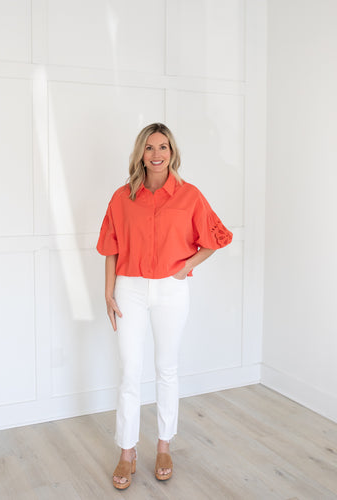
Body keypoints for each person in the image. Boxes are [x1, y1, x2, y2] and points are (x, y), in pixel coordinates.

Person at [97, 123, 233, 490]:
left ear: (172, 152)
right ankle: (127, 452)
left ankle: (163, 446)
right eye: (150, 148)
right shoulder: (121, 197)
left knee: (166, 369)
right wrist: (108, 294)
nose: (157, 155)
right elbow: (111, 249)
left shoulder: (189, 196)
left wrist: (186, 267)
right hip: (129, 290)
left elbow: (215, 238)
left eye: (164, 147)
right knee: (129, 371)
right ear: (140, 153)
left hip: (171, 292)